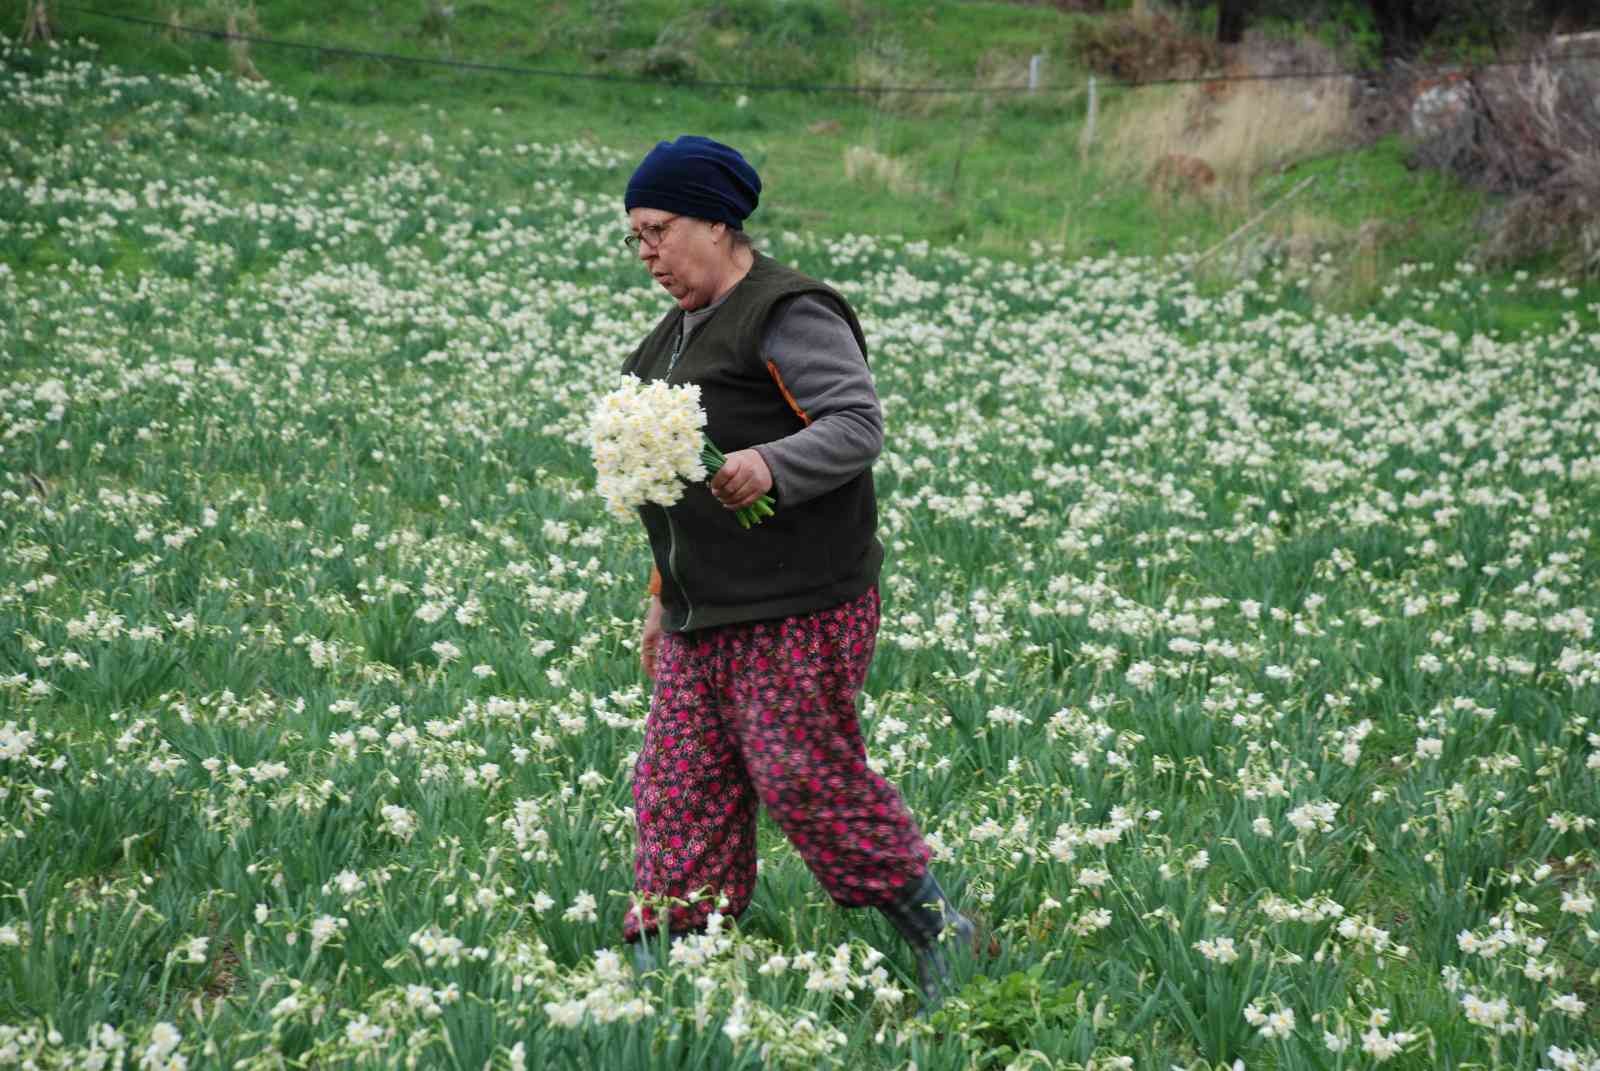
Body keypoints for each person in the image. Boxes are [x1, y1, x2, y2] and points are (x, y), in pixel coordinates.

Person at [616, 135, 987, 1006]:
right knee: (677, 780)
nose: (648, 253)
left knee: (799, 770)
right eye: (635, 237)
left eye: (660, 230)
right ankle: (675, 960)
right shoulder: (663, 344)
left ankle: (941, 928)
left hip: (800, 602)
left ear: (718, 218)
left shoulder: (788, 312)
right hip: (706, 611)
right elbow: (668, 496)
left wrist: (772, 465)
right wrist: (661, 599)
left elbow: (856, 423)